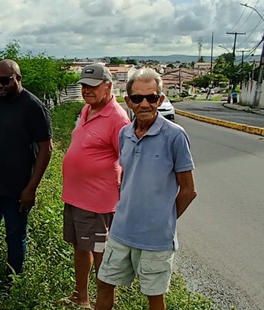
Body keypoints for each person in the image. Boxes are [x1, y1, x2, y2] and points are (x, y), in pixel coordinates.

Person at [95, 68, 197, 310]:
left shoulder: (175, 136)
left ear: (160, 100)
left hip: (155, 239)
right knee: (104, 283)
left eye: (151, 98)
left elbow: (188, 190)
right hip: (121, 232)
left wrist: (164, 219)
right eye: (138, 98)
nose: (144, 104)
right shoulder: (124, 134)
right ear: (127, 100)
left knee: (154, 296)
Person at [0, 59, 53, 294]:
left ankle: (11, 283)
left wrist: (31, 188)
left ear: (18, 78)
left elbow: (46, 148)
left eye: (4, 81)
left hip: (18, 189)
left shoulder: (33, 106)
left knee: (15, 238)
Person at [60, 64, 130, 308]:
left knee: (102, 257)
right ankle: (81, 297)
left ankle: (103, 304)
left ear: (108, 86)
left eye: (92, 86)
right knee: (80, 247)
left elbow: (128, 160)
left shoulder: (118, 118)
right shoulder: (86, 109)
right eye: (83, 86)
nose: (86, 91)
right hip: (75, 197)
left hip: (98, 202)